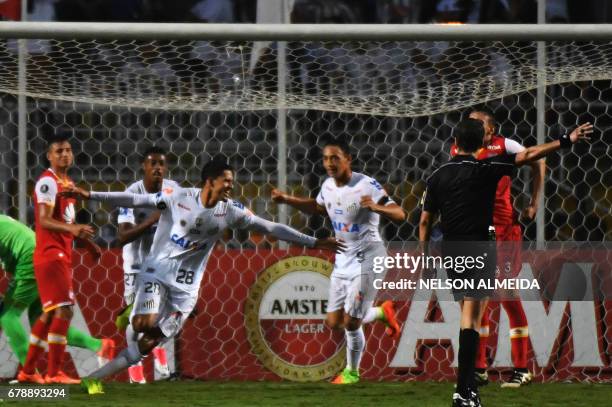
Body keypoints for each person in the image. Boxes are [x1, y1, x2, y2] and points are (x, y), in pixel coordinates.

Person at [62, 158, 345, 394]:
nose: (231, 185)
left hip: (186, 289)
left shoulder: (230, 211)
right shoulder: (180, 198)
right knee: (140, 325)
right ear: (209, 181)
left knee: (147, 343)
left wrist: (315, 242)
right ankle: (134, 314)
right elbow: (136, 199)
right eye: (226, 180)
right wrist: (90, 195)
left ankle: (94, 378)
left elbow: (270, 227)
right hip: (157, 272)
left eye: (232, 181)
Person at [420, 119, 592, 407]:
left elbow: (425, 221)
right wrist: (566, 139)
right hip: (482, 246)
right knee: (473, 319)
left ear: (456, 141)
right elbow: (528, 155)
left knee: (468, 316)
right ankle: (464, 392)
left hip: (451, 250)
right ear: (481, 144)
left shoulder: (437, 175)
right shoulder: (487, 169)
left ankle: (470, 384)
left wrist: (425, 259)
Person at [271, 136, 406, 385]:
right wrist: (288, 199)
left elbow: (399, 213)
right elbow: (319, 207)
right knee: (334, 321)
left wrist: (377, 208)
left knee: (351, 322)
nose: (329, 163)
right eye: (325, 158)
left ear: (348, 159)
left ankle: (351, 372)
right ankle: (380, 312)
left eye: (335, 158)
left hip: (369, 260)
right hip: (343, 259)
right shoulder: (328, 186)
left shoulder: (367, 185)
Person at [450, 110, 545, 388]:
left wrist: (534, 203)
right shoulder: (459, 147)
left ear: (491, 129)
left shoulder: (506, 146)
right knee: (476, 299)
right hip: (476, 233)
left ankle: (521, 368)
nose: (473, 126)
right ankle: (479, 369)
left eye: (479, 123)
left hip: (502, 231)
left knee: (505, 293)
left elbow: (539, 160)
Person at [18, 134, 109, 384]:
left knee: (49, 314)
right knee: (65, 311)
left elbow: (66, 221)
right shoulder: (47, 183)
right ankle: (54, 372)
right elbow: (44, 220)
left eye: (68, 150)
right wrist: (74, 230)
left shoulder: (67, 182)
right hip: (50, 255)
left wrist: (87, 242)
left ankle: (27, 371)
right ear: (49, 155)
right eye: (58, 151)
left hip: (60, 254)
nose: (64, 155)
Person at [0, 215, 114, 375]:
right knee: (41, 323)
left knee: (7, 316)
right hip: (37, 257)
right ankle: (98, 345)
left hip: (28, 260)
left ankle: (29, 373)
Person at [115, 146, 178, 383]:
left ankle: (162, 368)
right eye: (152, 163)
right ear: (144, 166)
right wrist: (153, 220)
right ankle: (136, 370)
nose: (157, 168)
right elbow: (123, 236)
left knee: (163, 318)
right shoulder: (131, 194)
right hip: (136, 265)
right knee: (136, 319)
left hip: (163, 264)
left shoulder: (173, 191)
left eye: (161, 163)